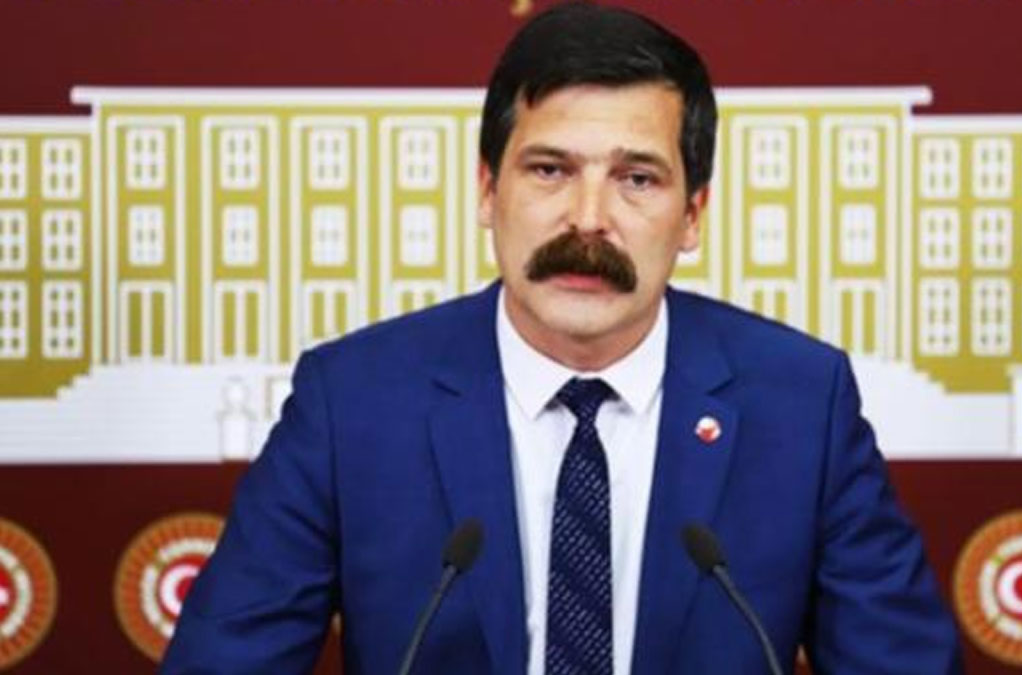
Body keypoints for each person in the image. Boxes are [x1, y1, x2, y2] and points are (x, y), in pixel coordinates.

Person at [163, 3, 963, 673]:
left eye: (636, 178)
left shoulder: (802, 404)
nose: (588, 219)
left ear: (693, 215)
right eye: (549, 170)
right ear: (488, 190)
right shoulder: (353, 402)